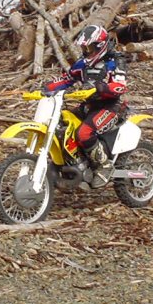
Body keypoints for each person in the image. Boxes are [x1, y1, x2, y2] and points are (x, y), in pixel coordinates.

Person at [42, 24, 127, 187]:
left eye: (89, 48)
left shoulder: (114, 62)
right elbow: (67, 78)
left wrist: (101, 88)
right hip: (89, 106)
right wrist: (47, 88)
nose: (87, 51)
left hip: (111, 106)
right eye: (84, 48)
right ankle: (76, 162)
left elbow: (120, 86)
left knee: (84, 133)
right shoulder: (83, 65)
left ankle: (104, 165)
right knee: (62, 124)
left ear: (100, 46)